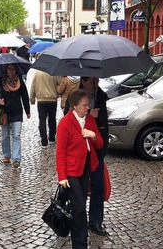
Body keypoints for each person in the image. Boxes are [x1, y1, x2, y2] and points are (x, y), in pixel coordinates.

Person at [56, 89, 104, 249]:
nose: (88, 107)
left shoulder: (89, 120)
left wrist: (93, 136)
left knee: (80, 205)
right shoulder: (65, 123)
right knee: (80, 209)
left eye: (88, 104)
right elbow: (60, 152)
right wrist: (62, 176)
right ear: (75, 106)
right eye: (84, 105)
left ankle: (76, 233)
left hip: (86, 169)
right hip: (71, 172)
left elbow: (100, 144)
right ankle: (79, 244)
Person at [80, 76, 110, 236]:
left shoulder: (101, 97)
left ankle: (96, 221)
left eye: (97, 80)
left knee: (98, 187)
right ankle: (78, 220)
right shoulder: (75, 97)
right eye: (93, 81)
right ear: (84, 81)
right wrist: (87, 114)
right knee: (81, 188)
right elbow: (67, 119)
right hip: (80, 151)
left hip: (97, 150)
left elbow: (105, 123)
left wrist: (104, 146)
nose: (96, 84)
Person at [0, 64, 31, 168]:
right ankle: (6, 155)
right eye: (9, 69)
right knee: (5, 136)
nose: (11, 71)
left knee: (16, 135)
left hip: (17, 112)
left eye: (13, 69)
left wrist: (27, 110)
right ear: (6, 69)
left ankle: (16, 159)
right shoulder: (0, 81)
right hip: (4, 112)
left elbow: (24, 96)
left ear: (16, 70)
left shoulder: (19, 81)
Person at [29, 70, 61, 148]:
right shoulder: (54, 71)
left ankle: (44, 141)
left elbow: (33, 86)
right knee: (52, 119)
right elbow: (60, 84)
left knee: (42, 120)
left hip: (41, 100)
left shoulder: (37, 73)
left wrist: (32, 99)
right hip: (52, 99)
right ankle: (52, 138)